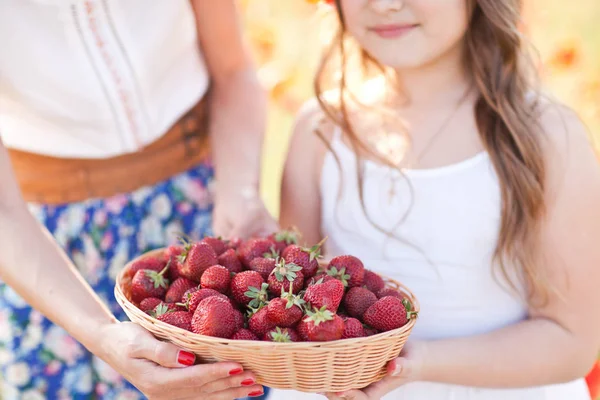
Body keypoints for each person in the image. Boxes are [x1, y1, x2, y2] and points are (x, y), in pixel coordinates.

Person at [274, 0, 600, 399]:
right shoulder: (320, 130)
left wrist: (416, 362)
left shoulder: (544, 135)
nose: (385, 5)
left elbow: (571, 340)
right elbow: (290, 298)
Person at [0, 1, 276, 399]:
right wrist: (101, 333)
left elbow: (234, 72)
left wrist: (239, 193)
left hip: (198, 212)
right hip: (49, 254)